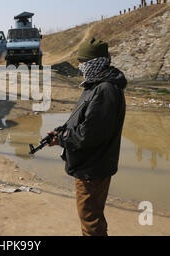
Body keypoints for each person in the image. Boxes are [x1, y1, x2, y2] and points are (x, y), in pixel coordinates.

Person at [48, 37, 127, 236]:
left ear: (94, 63)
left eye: (83, 63)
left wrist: (63, 138)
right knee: (92, 216)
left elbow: (89, 135)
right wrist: (61, 130)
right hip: (90, 164)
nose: (80, 67)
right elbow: (83, 121)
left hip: (93, 168)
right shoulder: (96, 85)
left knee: (90, 220)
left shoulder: (105, 90)